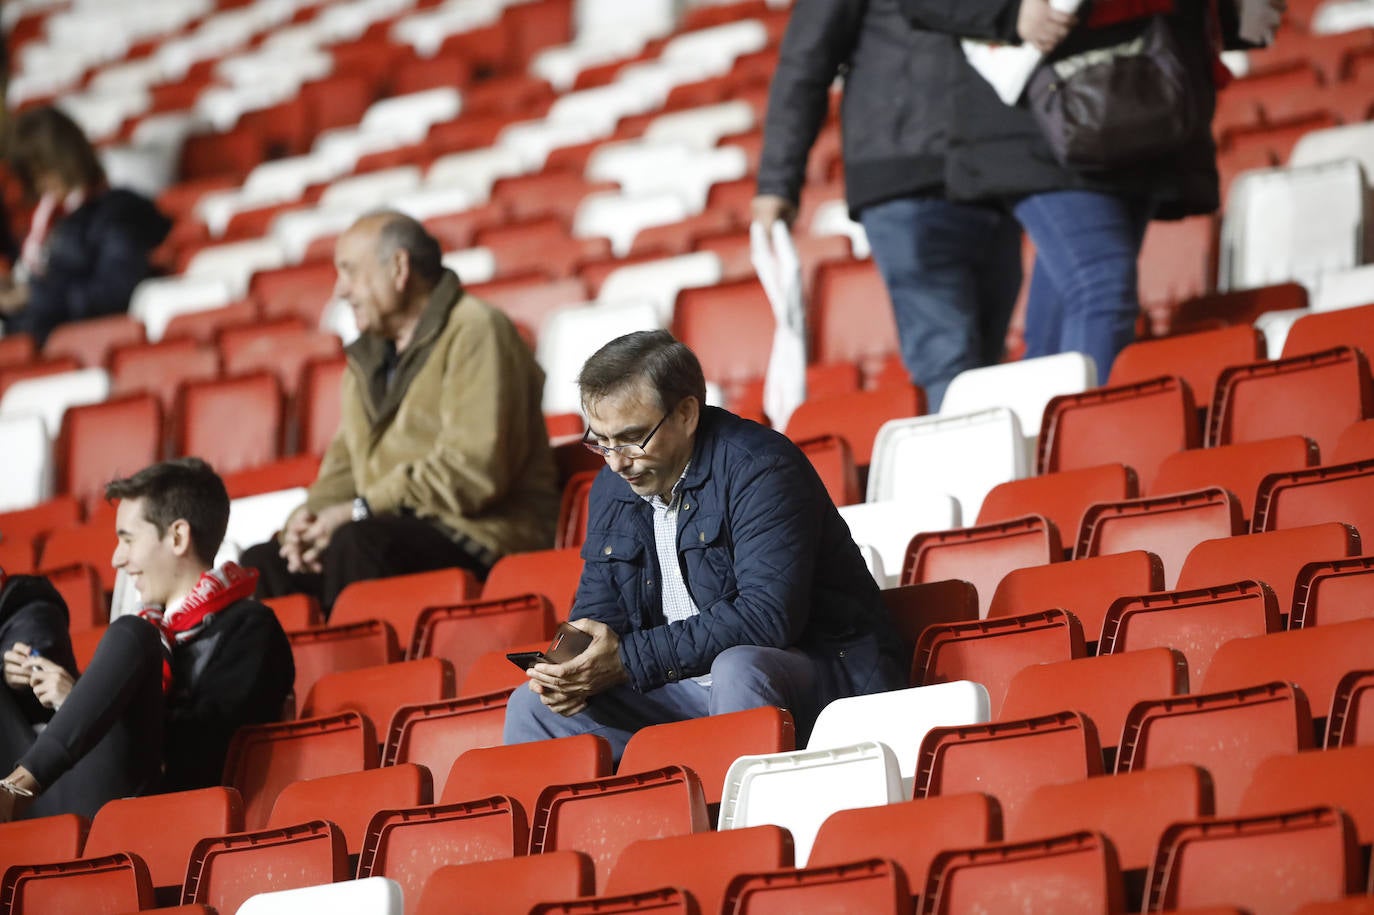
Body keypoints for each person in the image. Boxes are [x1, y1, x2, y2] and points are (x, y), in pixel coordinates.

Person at [503, 331, 905, 759]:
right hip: (685, 684)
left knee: (738, 667)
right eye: (601, 442)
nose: (617, 462)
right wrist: (573, 667)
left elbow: (767, 618)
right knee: (531, 708)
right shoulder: (614, 485)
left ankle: (737, 820)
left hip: (826, 671)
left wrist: (628, 660)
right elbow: (602, 611)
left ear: (687, 414)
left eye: (632, 438)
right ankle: (640, 817)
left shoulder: (761, 468)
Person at [900, 0, 1242, 380]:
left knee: (1066, 310)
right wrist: (1011, 13)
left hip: (1143, 101)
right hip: (1042, 113)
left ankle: (1043, 431)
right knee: (1101, 286)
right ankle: (1082, 436)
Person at [241, 211, 559, 615]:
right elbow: (340, 473)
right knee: (263, 564)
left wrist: (361, 510)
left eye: (350, 272)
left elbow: (474, 472)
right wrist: (303, 526)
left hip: (485, 535)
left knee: (357, 543)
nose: (340, 291)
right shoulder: (366, 361)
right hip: (388, 528)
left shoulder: (478, 329)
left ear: (399, 268)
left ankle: (357, 676)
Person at [752, 0, 1024, 411]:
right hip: (906, 179)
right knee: (948, 358)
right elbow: (806, 62)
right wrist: (777, 181)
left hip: (992, 173)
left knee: (982, 362)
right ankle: (969, 471)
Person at [0, 458, 293, 821]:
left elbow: (207, 748)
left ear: (177, 537)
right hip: (72, 793)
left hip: (157, 807)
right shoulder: (150, 624)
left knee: (132, 634)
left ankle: (13, 790)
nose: (117, 558)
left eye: (128, 539)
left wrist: (79, 699)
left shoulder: (252, 627)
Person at [0, 105, 170, 346]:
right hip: (32, 340)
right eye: (32, 176)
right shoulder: (45, 220)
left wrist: (33, 297)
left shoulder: (118, 212)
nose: (40, 184)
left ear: (66, 157)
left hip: (85, 345)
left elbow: (115, 291)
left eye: (43, 170)